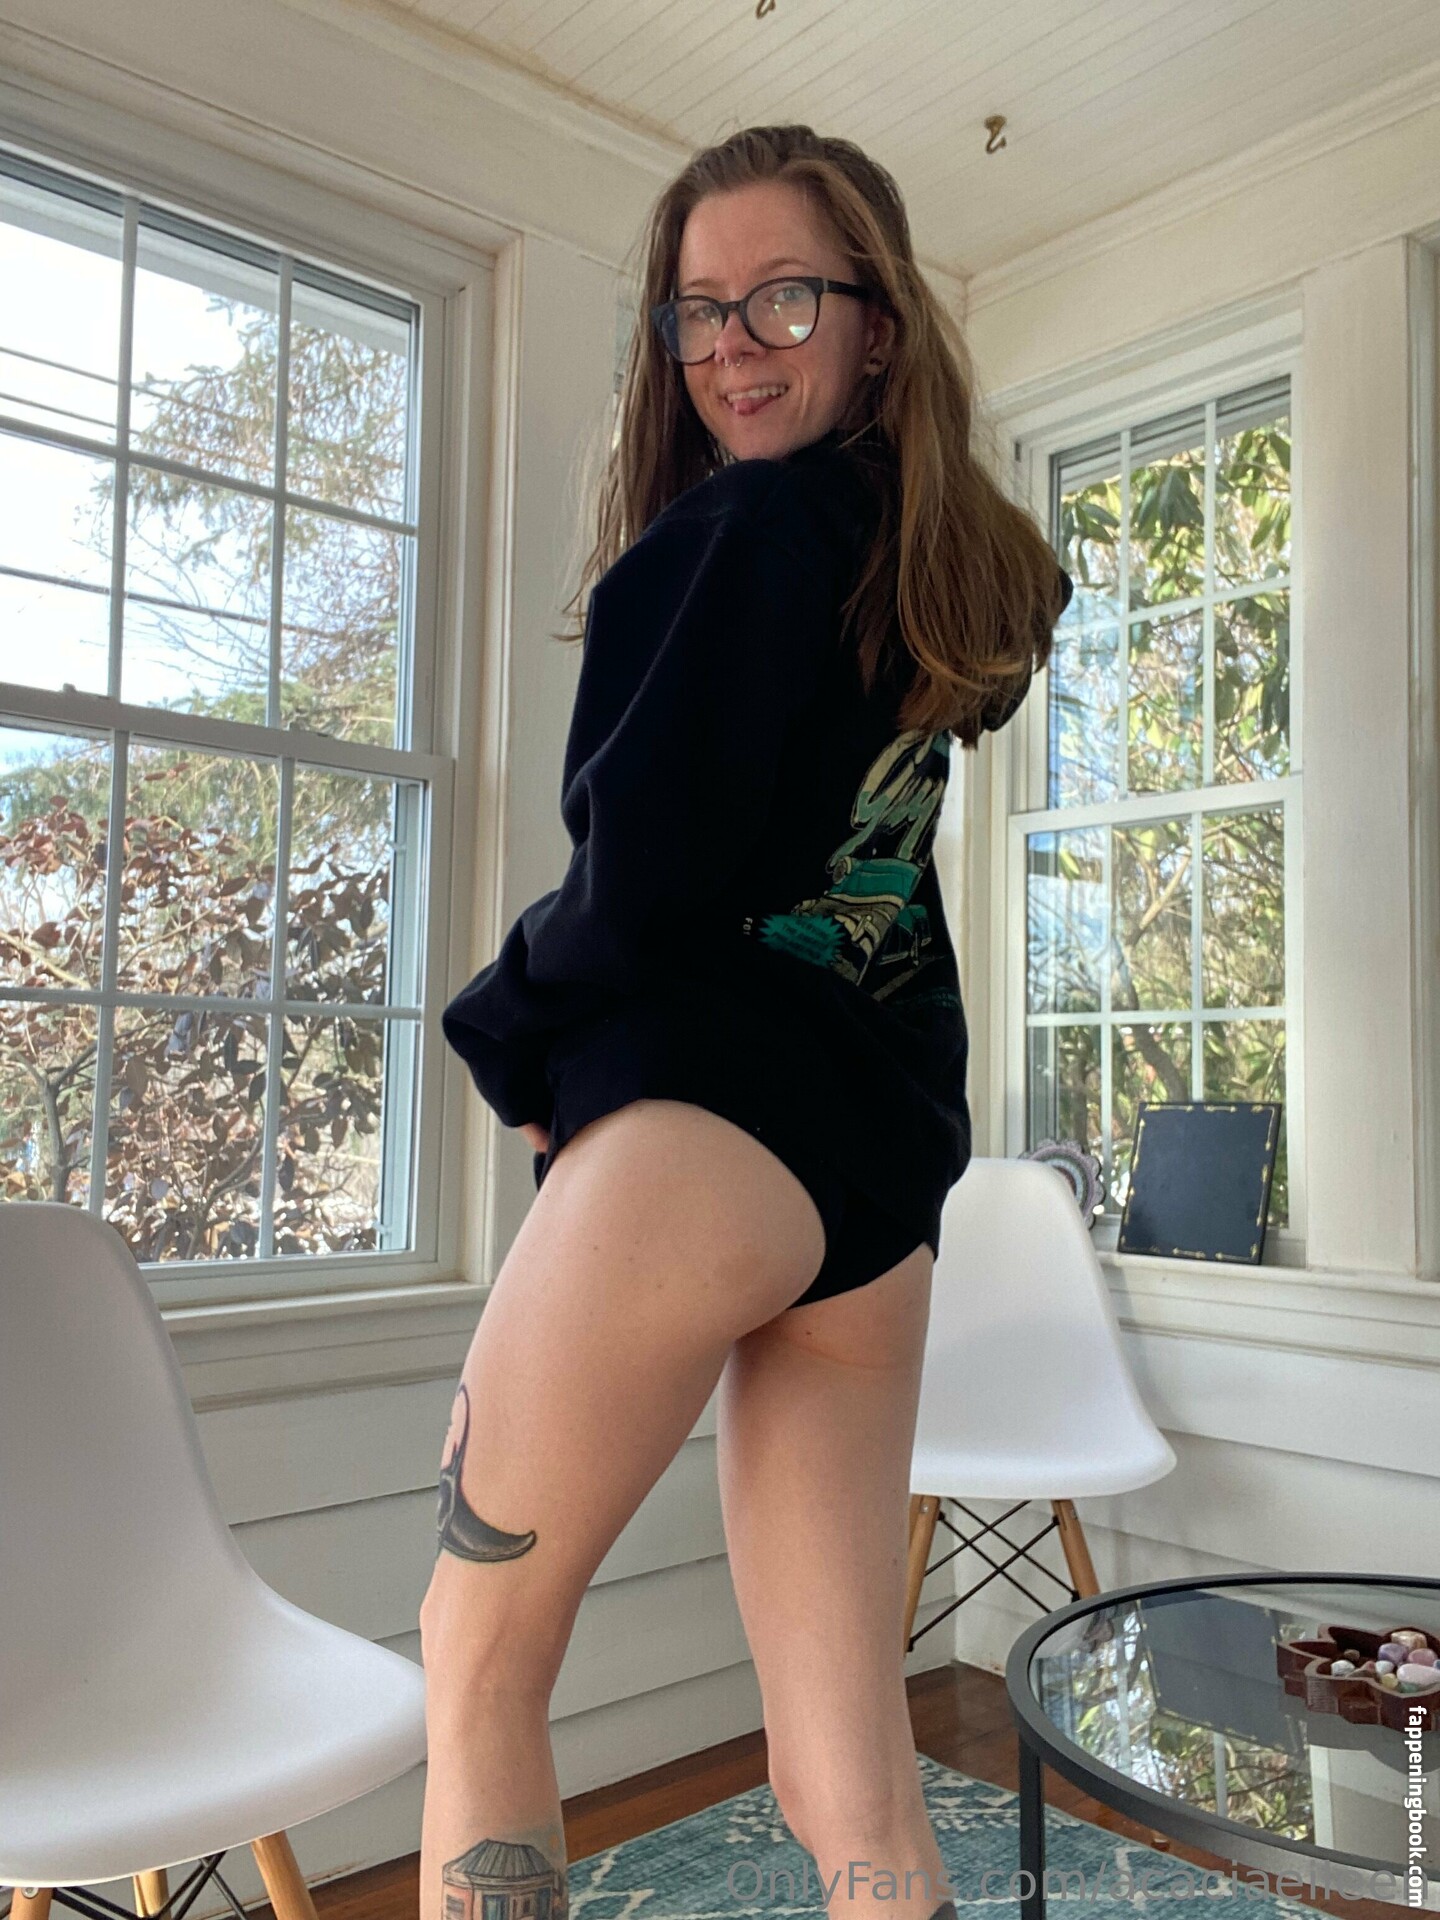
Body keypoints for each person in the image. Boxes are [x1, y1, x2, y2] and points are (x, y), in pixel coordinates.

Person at [419, 124, 1073, 1920]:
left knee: (478, 1656)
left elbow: (641, 870)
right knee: (844, 1762)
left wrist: (502, 1030)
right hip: (872, 1185)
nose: (732, 345)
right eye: (699, 310)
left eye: (783, 297)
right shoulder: (927, 564)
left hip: (704, 1146)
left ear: (877, 322)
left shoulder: (749, 526)